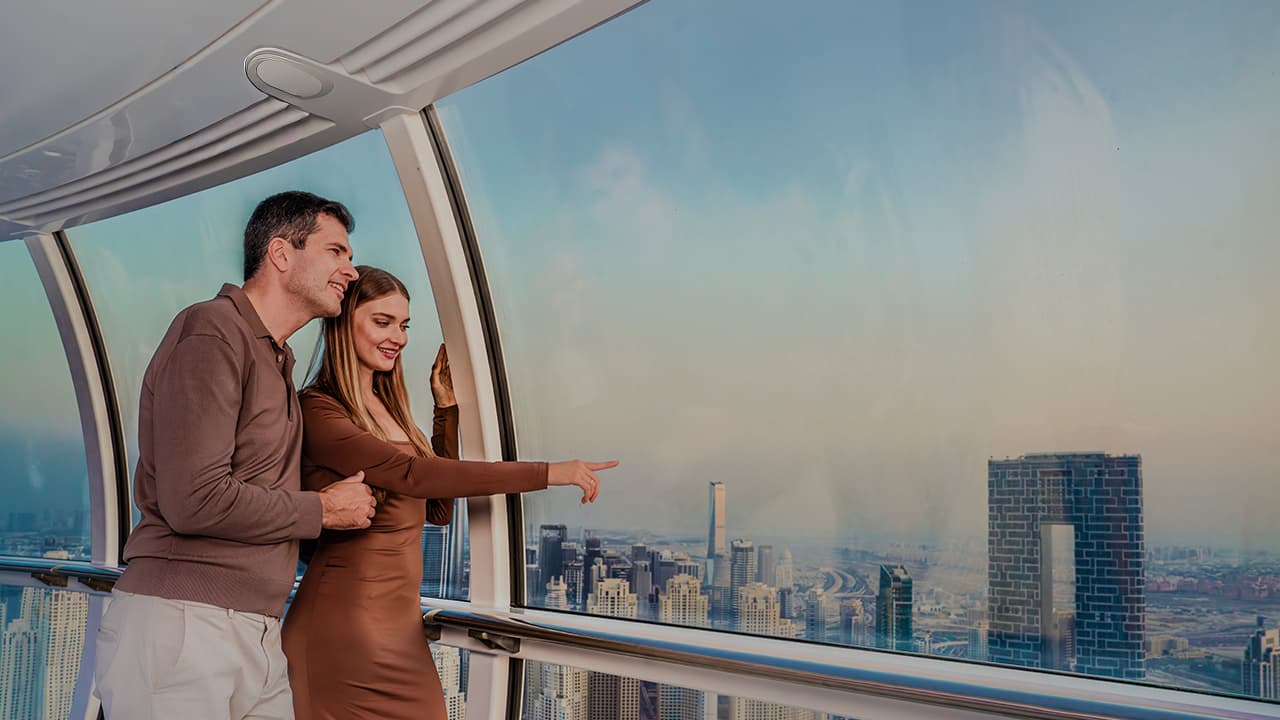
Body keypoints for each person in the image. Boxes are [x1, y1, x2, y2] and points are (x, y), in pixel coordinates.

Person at [281, 266, 616, 719]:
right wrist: (550, 471)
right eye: (382, 322)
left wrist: (445, 410)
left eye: (404, 325)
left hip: (401, 637)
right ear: (342, 322)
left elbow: (435, 508)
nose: (397, 337)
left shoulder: (390, 411)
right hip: (340, 633)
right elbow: (415, 476)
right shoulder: (318, 409)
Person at [95, 191, 379, 720]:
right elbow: (193, 500)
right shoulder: (211, 332)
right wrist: (322, 510)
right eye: (336, 251)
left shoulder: (275, 358)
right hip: (183, 627)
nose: (351, 268)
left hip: (255, 629)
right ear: (281, 254)